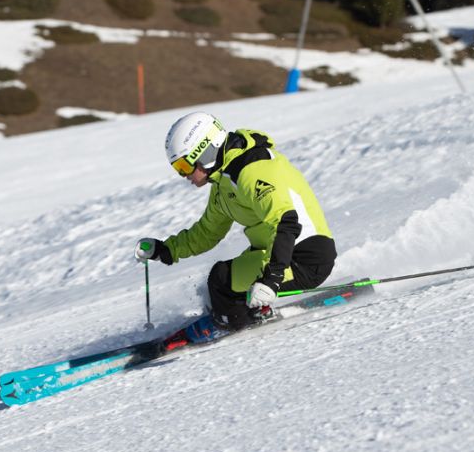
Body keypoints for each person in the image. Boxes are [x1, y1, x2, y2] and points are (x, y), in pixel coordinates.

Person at [135, 111, 336, 344]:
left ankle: (231, 328)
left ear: (205, 151)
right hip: (278, 254)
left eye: (183, 165)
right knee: (219, 285)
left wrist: (272, 279)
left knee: (221, 280)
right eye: (177, 168)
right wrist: (166, 250)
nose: (183, 175)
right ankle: (243, 314)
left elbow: (286, 222)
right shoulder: (223, 181)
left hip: (305, 258)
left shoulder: (252, 170)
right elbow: (208, 232)